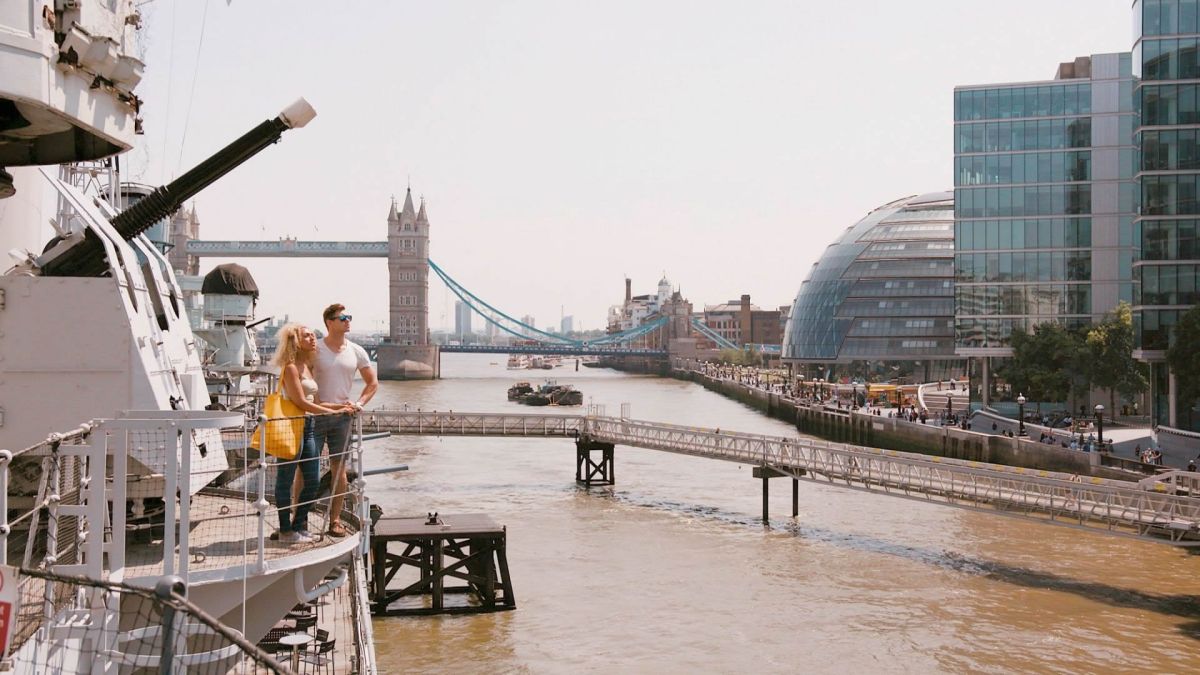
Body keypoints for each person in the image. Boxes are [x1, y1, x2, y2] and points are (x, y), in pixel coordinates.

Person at [271, 324, 350, 544]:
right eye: (307, 336)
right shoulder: (290, 368)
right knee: (285, 480)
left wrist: (342, 407)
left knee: (313, 481)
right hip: (291, 427)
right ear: (295, 341)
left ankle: (298, 527)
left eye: (313, 336)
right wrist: (332, 412)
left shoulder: (306, 366)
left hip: (308, 427)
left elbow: (317, 402)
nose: (313, 339)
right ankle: (286, 531)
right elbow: (301, 402)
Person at [313, 304, 378, 537]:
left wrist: (359, 403)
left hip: (342, 417)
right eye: (342, 318)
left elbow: (373, 383)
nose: (348, 320)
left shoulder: (357, 351)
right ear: (329, 322)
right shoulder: (315, 348)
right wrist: (317, 403)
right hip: (314, 415)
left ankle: (335, 521)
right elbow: (303, 378)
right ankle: (296, 518)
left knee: (339, 469)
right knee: (306, 468)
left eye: (349, 317)